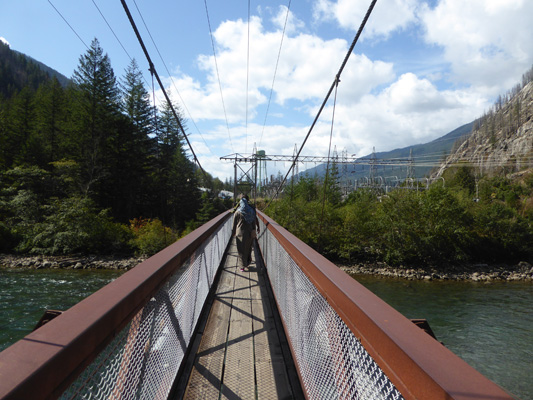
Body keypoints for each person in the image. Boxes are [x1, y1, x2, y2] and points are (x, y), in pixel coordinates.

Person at [232, 194, 260, 272]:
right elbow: (254, 221)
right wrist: (257, 228)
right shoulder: (251, 211)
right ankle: (247, 262)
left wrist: (233, 232)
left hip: (240, 234)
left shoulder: (238, 211)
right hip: (250, 233)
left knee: (241, 250)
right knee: (248, 248)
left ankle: (242, 266)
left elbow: (234, 223)